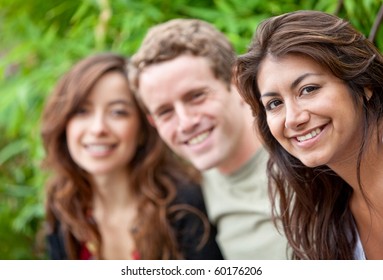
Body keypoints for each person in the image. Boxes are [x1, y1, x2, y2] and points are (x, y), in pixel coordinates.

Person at [129, 19, 289, 259]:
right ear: (153, 122)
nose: (185, 123)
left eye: (196, 96)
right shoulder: (187, 193)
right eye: (165, 112)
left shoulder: (303, 154)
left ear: (236, 82)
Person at [40, 52, 223, 260]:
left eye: (118, 112)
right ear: (64, 124)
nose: (98, 128)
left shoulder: (184, 206)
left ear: (143, 130)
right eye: (82, 111)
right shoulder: (65, 206)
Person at [235, 10, 383, 259]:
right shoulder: (332, 217)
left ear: (363, 83)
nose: (293, 118)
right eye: (274, 104)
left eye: (308, 89)